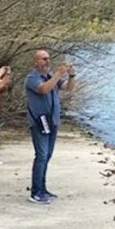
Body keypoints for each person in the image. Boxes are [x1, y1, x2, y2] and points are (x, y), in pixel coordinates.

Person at [24, 50, 77, 204]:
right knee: (41, 156)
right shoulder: (32, 78)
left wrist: (71, 75)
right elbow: (44, 89)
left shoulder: (50, 76)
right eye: (44, 59)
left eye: (48, 59)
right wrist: (59, 74)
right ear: (36, 62)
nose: (47, 61)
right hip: (39, 122)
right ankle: (35, 192)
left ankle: (43, 188)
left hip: (52, 121)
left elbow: (67, 87)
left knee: (47, 156)